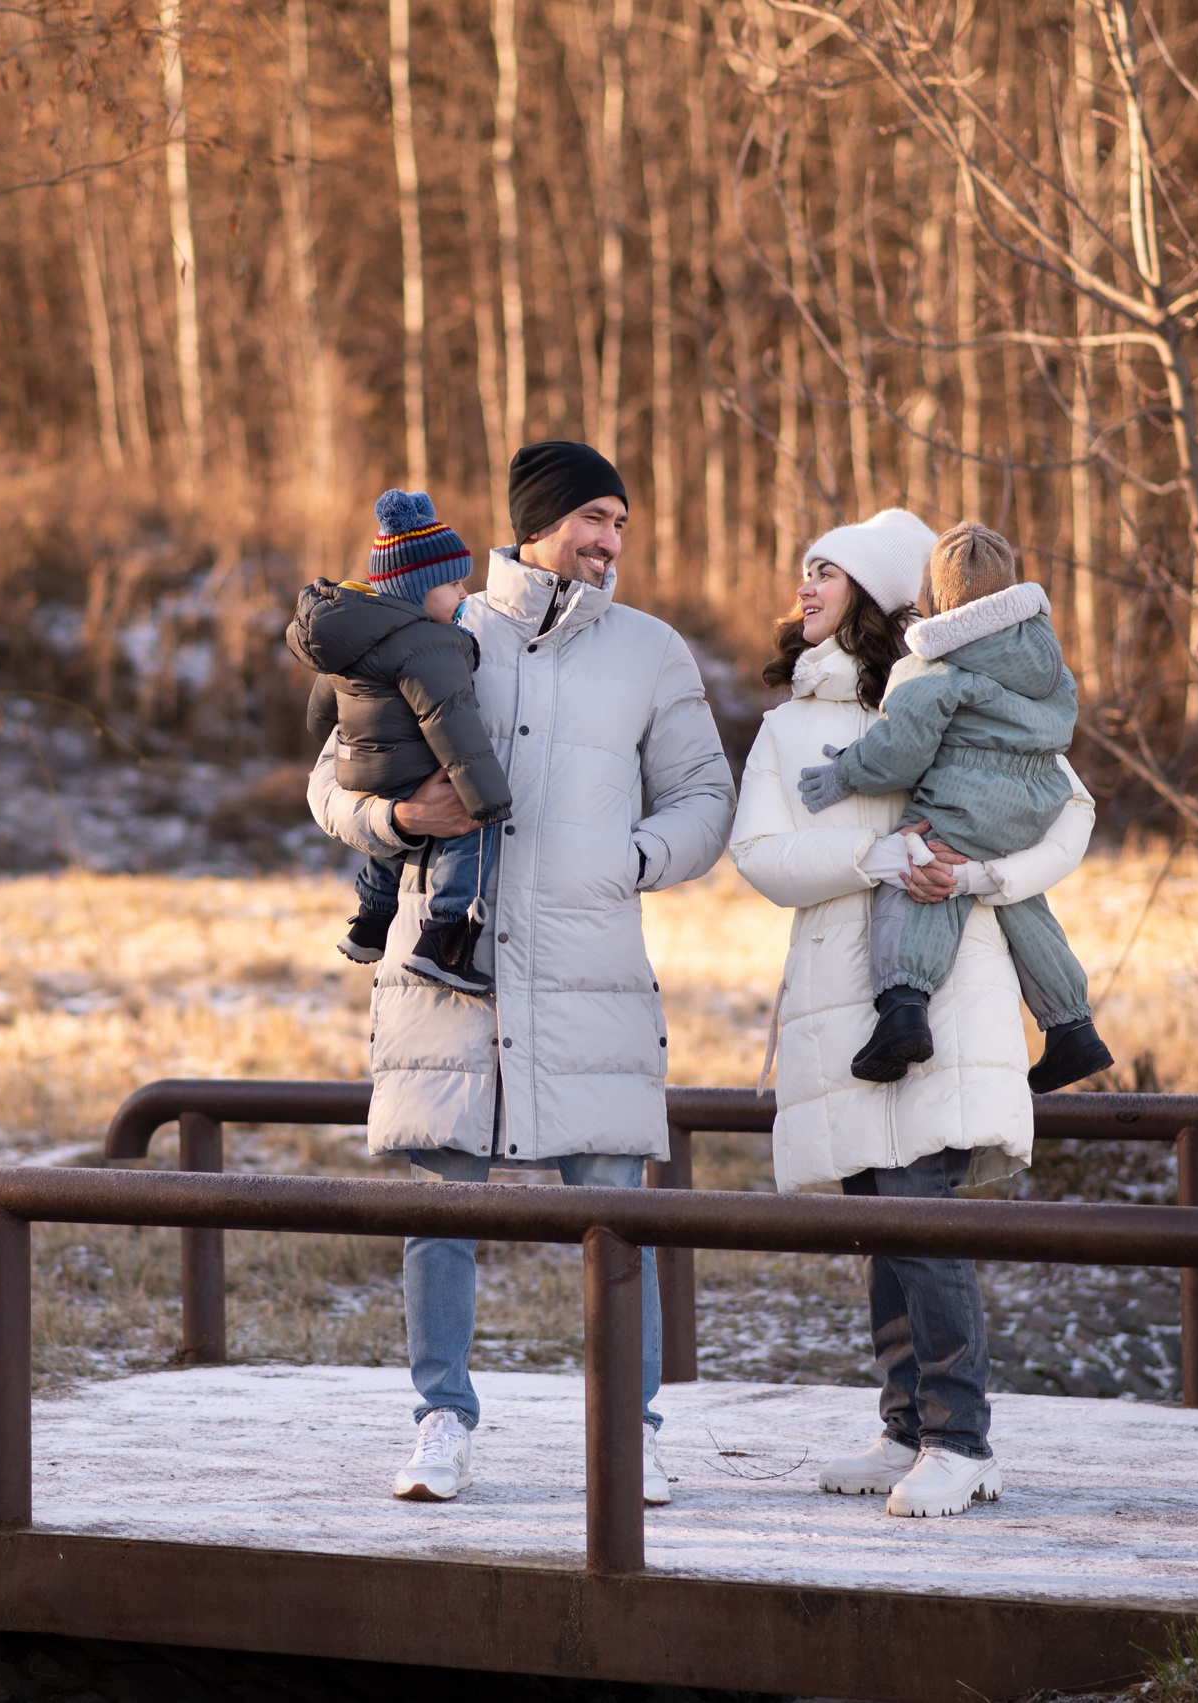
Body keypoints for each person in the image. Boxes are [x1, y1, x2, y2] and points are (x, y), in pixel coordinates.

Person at [306, 441, 734, 1509]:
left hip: (591, 967)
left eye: (622, 523)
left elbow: (703, 799)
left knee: (616, 1216)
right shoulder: (436, 627)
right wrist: (400, 817)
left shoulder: (651, 650)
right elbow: (330, 780)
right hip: (448, 968)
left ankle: (628, 1433)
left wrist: (628, 860)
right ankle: (440, 1420)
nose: (610, 541)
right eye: (594, 517)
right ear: (536, 522)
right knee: (440, 1209)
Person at [727, 508, 1096, 1519]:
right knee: (880, 1220)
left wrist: (979, 871)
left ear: (883, 592)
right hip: (841, 1004)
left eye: (825, 572)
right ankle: (904, 1429)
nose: (801, 587)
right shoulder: (789, 726)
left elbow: (1072, 814)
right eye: (799, 569)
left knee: (922, 1214)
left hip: (951, 988)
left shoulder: (968, 690)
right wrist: (868, 857)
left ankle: (959, 1438)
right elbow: (758, 857)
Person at [792, 522, 1114, 1093]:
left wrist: (846, 772)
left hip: (968, 799)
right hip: (1037, 800)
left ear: (939, 599)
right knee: (1023, 907)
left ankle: (903, 1009)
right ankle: (1073, 1028)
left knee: (922, 874)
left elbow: (900, 751)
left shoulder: (936, 663)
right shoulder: (1046, 660)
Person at [289, 489, 514, 991]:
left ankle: (371, 921)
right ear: (416, 590)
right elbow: (453, 725)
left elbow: (321, 708)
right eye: (453, 584)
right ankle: (445, 939)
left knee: (392, 841)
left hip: (360, 769)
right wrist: (487, 801)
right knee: (468, 831)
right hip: (413, 767)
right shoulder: (431, 642)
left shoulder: (355, 632)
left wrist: (334, 732)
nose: (463, 595)